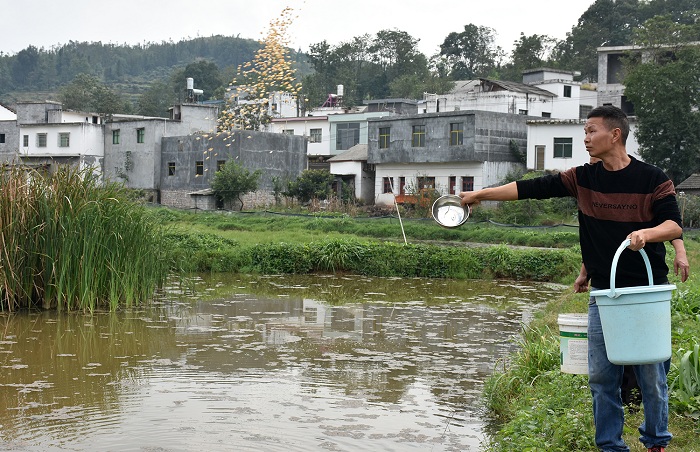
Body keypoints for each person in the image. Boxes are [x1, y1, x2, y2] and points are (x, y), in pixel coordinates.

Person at [460, 105, 682, 452]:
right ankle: (610, 445)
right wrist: (478, 195)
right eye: (585, 131)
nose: (586, 138)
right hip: (603, 294)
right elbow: (529, 188)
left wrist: (648, 233)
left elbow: (673, 224)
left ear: (615, 135)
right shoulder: (582, 178)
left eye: (591, 131)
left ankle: (656, 441)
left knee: (651, 376)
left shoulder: (653, 178)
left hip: (645, 293)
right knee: (601, 377)